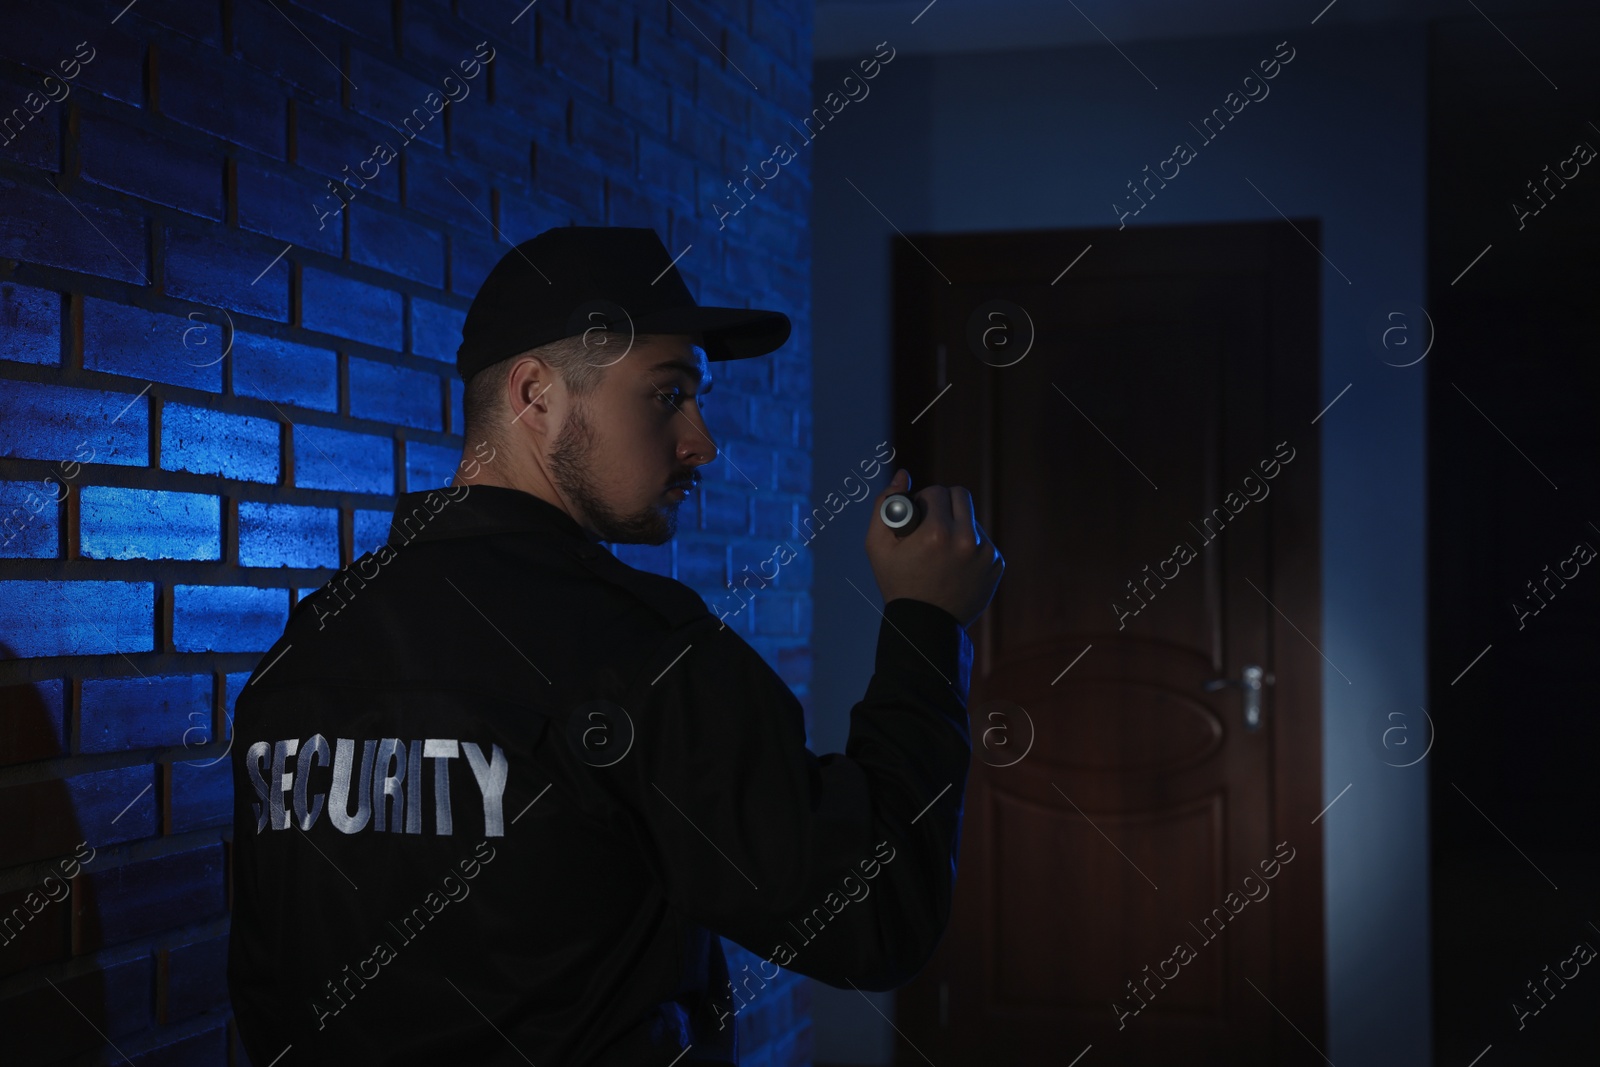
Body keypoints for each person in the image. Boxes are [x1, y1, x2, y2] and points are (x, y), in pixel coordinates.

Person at [227, 226, 1005, 1065]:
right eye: (668, 394)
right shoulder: (642, 650)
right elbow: (874, 913)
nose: (701, 440)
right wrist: (928, 623)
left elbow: (265, 989)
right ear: (536, 396)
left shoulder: (303, 648)